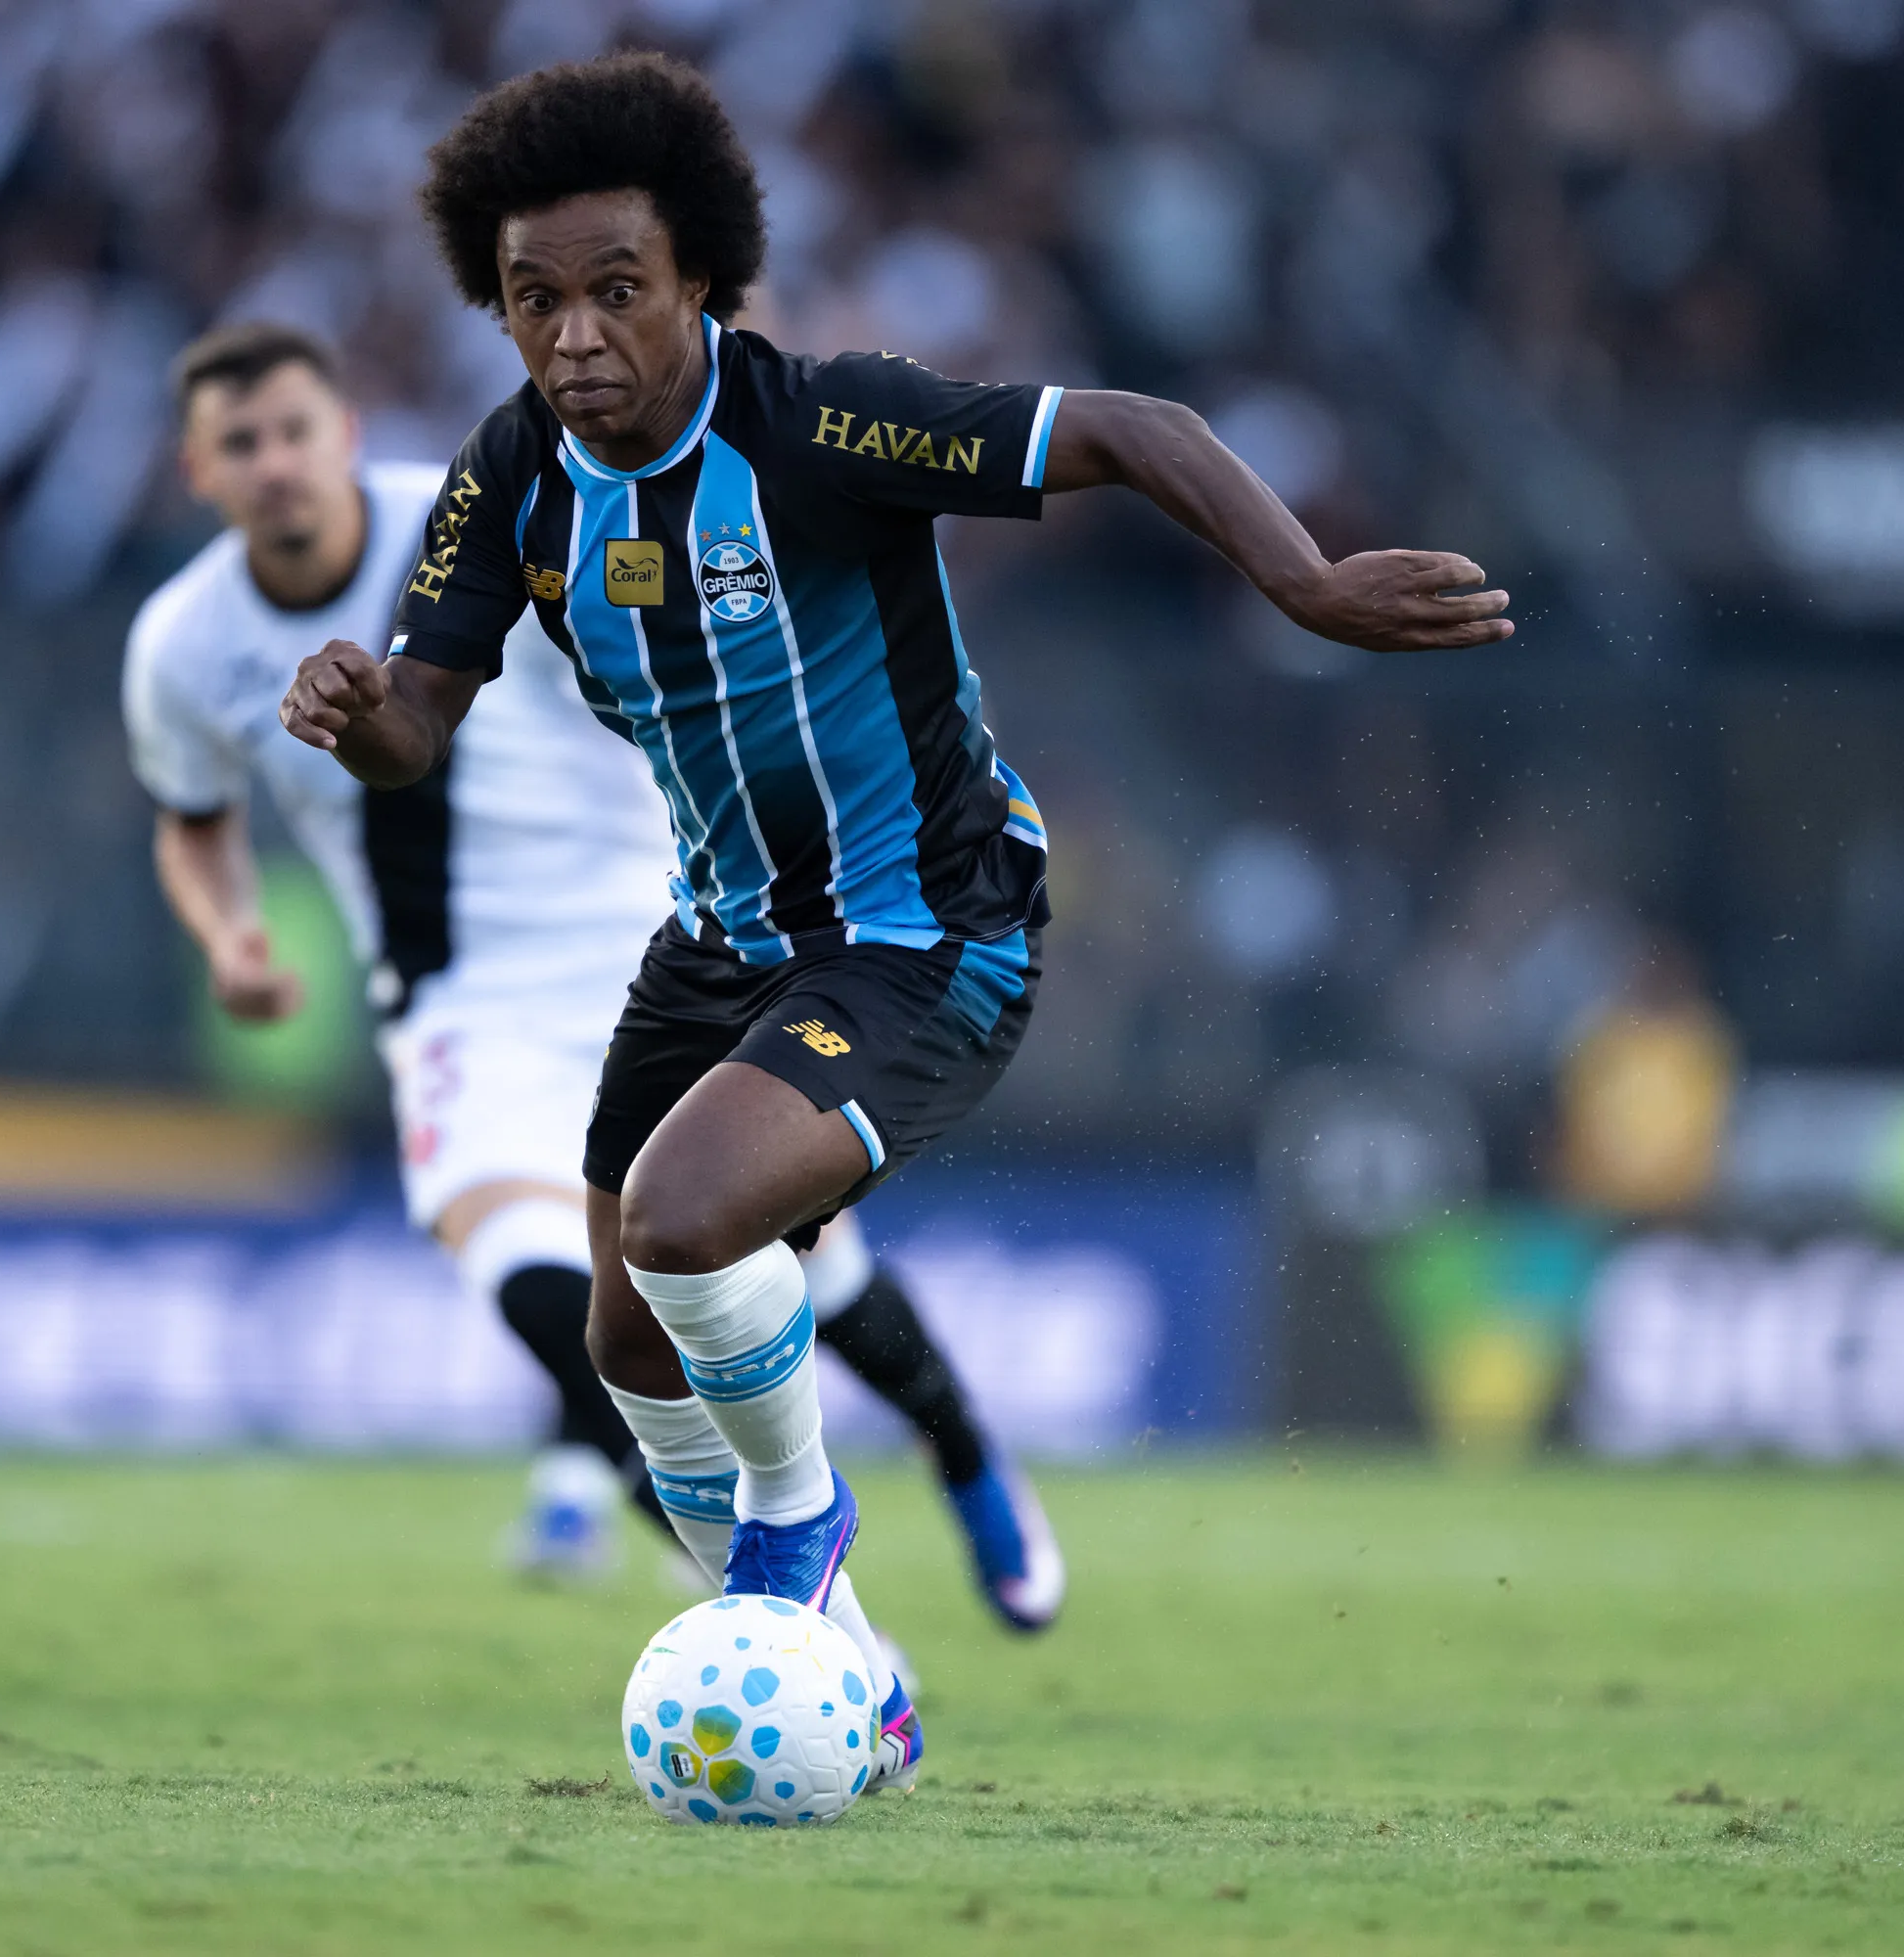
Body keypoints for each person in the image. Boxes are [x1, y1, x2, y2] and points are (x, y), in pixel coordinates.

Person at [279, 53, 1511, 1784]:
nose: (574, 337)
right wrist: (359, 713)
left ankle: (803, 1520)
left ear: (701, 279)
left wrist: (1300, 581)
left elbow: (1127, 429)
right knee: (625, 1344)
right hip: (719, 942)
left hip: (928, 931)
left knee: (688, 1226)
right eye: (533, 300)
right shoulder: (513, 477)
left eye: (617, 290)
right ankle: (856, 1679)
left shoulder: (821, 426)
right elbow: (420, 722)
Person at [127, 321, 1049, 1609]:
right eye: (241, 444)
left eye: (294, 431)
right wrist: (231, 934)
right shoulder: (181, 642)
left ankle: (966, 1457)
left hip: (650, 944)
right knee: (557, 1310)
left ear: (345, 435)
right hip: (460, 1012)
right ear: (198, 471)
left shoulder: (493, 512)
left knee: (808, 1270)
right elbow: (193, 819)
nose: (274, 463)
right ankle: (818, 1633)